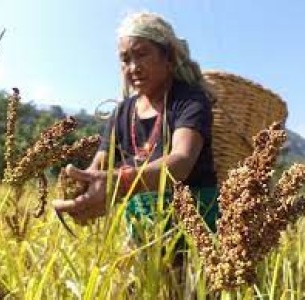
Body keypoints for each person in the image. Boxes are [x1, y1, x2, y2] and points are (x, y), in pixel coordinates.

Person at [53, 12, 218, 240]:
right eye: (125, 59)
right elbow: (98, 166)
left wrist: (120, 182)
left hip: (196, 210)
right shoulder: (122, 111)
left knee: (147, 211)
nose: (133, 67)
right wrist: (82, 192)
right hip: (144, 220)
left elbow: (181, 161)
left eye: (142, 54)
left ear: (168, 58)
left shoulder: (189, 100)